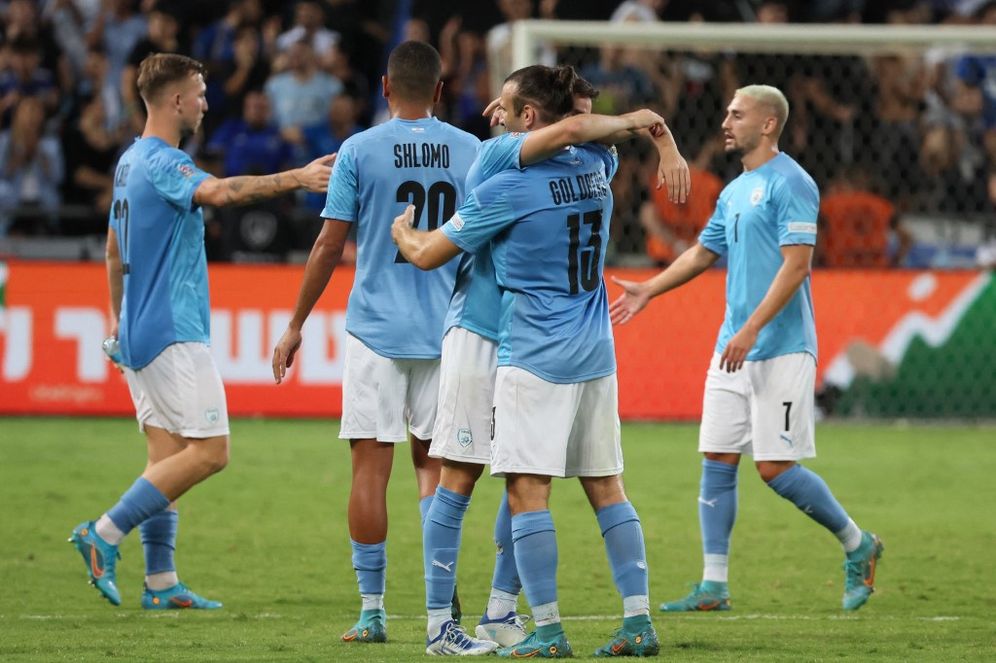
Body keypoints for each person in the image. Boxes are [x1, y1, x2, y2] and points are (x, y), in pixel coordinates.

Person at [407, 64, 688, 656]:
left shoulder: (502, 176)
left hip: (527, 347)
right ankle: (633, 623)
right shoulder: (600, 169)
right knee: (597, 484)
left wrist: (401, 235)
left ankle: (533, 625)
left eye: (506, 105)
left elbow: (430, 253)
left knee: (522, 488)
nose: (494, 112)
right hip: (585, 349)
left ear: (530, 118)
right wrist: (659, 137)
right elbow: (579, 136)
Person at [69, 53, 333, 610]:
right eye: (201, 93)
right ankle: (103, 534)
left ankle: (161, 584)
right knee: (211, 452)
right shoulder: (165, 163)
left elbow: (115, 250)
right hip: (172, 330)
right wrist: (299, 178)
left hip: (138, 331)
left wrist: (116, 319)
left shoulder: (128, 162)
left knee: (165, 461)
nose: (207, 103)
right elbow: (224, 194)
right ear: (176, 102)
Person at [610, 85, 884, 613]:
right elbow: (702, 253)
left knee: (775, 468)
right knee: (716, 457)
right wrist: (650, 289)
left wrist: (753, 327)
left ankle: (858, 544)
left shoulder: (792, 183)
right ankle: (714, 584)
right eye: (726, 111)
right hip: (732, 345)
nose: (725, 122)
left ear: (767, 125)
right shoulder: (735, 191)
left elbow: (797, 264)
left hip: (779, 345)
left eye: (736, 114)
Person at [269, 41, 481, 647]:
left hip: (375, 332)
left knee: (369, 466)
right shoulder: (471, 151)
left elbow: (329, 245)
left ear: (386, 87)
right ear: (440, 90)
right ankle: (441, 596)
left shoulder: (359, 150)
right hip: (446, 329)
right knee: (434, 467)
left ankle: (371, 611)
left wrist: (295, 324)